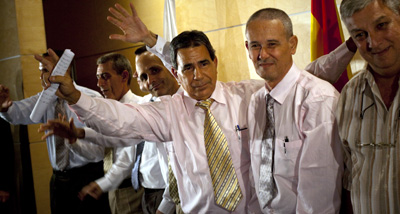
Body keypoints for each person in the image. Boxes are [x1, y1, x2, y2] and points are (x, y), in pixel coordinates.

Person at [245, 8, 343, 213]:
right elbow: (257, 175)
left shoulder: (317, 99)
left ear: (292, 45)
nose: (262, 54)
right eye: (255, 46)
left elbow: (318, 194)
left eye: (272, 44)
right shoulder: (256, 101)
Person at [0, 49, 110, 214]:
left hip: (88, 177)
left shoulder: (91, 98)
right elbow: (18, 113)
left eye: (45, 70)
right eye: (40, 72)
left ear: (63, 69)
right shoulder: (44, 99)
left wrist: (73, 140)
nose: (41, 77)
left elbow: (99, 150)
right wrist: (5, 108)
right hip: (59, 181)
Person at [336, 0, 400, 213]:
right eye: (360, 35)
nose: (373, 42)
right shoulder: (349, 94)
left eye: (382, 25)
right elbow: (349, 178)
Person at [77, 53, 144, 214]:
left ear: (124, 76)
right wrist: (72, 139)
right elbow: (99, 153)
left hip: (132, 191)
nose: (99, 84)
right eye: (98, 77)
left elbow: (127, 159)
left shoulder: (137, 107)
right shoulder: (106, 111)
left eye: (105, 77)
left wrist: (103, 184)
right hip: (113, 191)